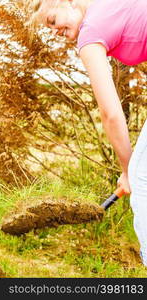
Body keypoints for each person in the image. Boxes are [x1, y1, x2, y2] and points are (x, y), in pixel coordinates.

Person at [31, 0, 147, 266]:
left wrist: (129, 170)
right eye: (47, 29)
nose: (53, 31)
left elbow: (111, 114)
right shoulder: (105, 8)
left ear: (67, 2)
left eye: (51, 21)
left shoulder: (90, 30)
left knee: (142, 179)